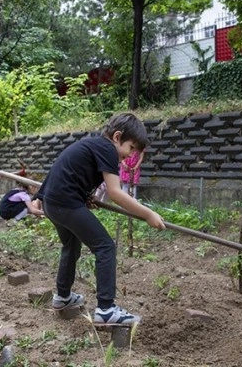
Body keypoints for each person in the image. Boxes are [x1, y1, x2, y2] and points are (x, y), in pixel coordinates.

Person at [37, 113, 165, 325]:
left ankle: (63, 297)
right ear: (117, 137)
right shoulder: (107, 149)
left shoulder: (91, 144)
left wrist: (85, 196)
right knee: (105, 247)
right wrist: (148, 213)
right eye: (131, 148)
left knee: (71, 245)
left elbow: (65, 170)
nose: (131, 155)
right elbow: (115, 192)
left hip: (53, 202)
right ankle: (106, 309)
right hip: (66, 203)